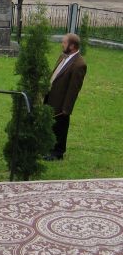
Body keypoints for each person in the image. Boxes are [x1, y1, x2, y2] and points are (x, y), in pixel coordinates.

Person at [44, 33, 87, 161]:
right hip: (51, 96)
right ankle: (48, 147)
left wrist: (66, 109)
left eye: (64, 42)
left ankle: (58, 153)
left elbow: (74, 89)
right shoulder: (63, 56)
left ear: (72, 46)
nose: (62, 44)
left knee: (60, 127)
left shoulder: (79, 64)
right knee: (51, 125)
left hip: (62, 102)